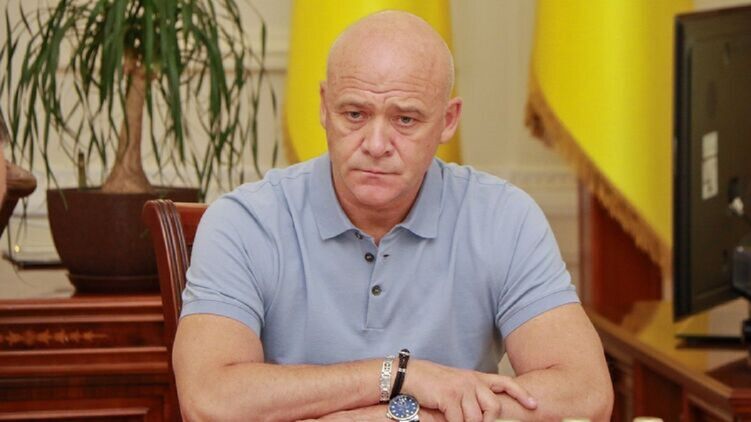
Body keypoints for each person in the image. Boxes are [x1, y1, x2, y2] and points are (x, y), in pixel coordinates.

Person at [174, 10, 613, 421]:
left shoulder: (504, 218)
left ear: (448, 120)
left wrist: (394, 416)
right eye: (355, 114)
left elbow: (585, 391)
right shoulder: (243, 221)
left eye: (405, 119)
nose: (376, 144)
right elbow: (209, 399)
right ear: (324, 106)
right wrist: (400, 375)